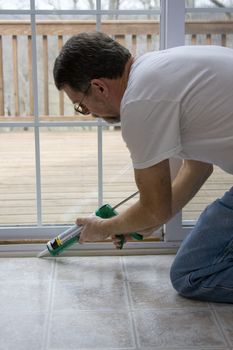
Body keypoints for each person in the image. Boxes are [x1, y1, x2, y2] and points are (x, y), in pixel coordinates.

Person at [53, 31, 233, 303]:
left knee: (192, 274)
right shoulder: (159, 68)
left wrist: (103, 228)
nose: (88, 113)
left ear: (99, 87)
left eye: (81, 105)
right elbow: (197, 167)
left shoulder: (139, 102)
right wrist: (149, 221)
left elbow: (154, 207)